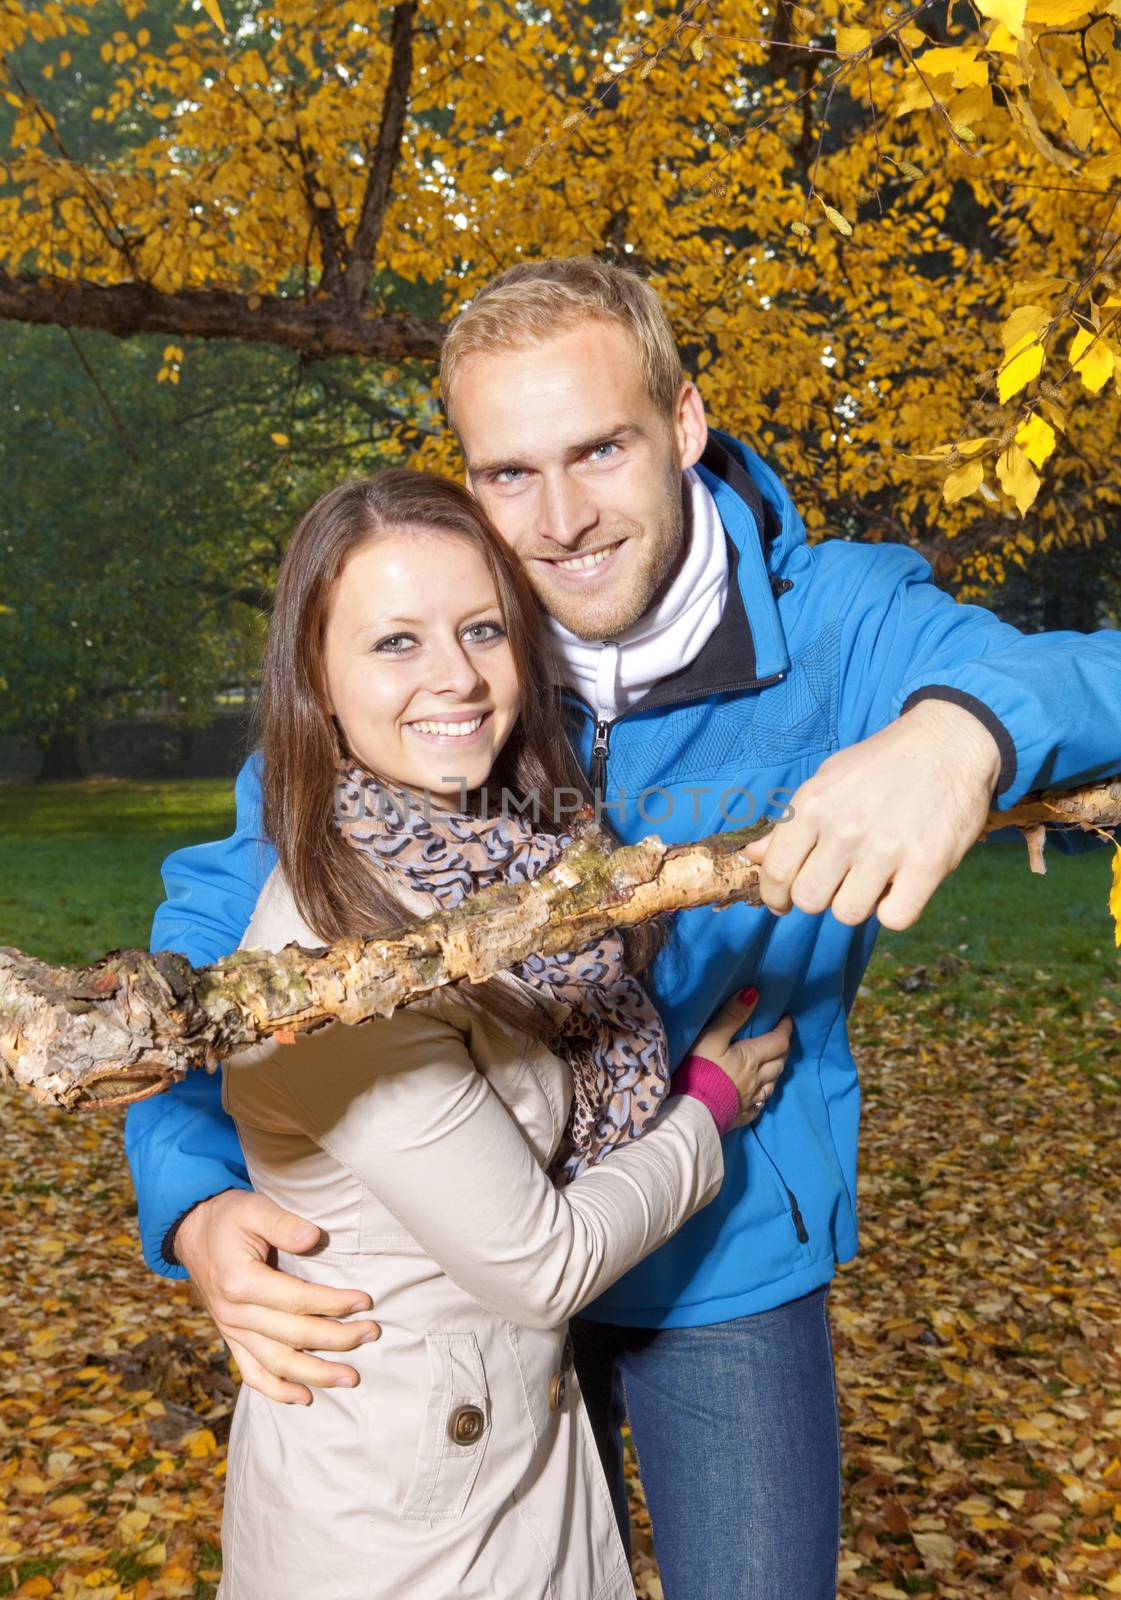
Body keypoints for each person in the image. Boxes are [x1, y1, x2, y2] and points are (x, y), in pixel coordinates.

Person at [127, 258, 1121, 1600]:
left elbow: (1083, 670)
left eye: (600, 448)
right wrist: (192, 1193)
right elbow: (215, 941)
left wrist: (960, 732)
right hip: (463, 1266)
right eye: (509, 473)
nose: (562, 519)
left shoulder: (832, 625)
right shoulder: (450, 641)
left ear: (686, 424)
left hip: (724, 1247)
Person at [214, 467, 792, 1599]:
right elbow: (541, 1262)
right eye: (394, 644)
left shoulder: (511, 853)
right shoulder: (338, 963)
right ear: (316, 681)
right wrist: (707, 1106)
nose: (456, 678)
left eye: (482, 628)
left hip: (509, 1458)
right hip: (401, 1519)